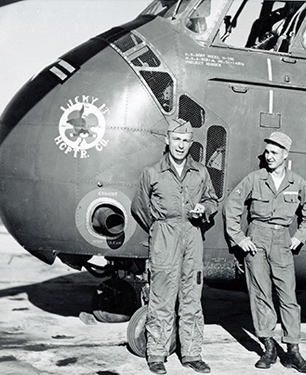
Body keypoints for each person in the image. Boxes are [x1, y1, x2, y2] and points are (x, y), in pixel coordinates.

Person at [223, 132, 306, 373]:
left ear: (285, 155)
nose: (269, 157)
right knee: (260, 295)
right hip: (257, 237)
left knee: (288, 297)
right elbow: (232, 206)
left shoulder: (296, 182)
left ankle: (294, 352)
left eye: (274, 153)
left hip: (283, 240)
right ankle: (268, 347)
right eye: (267, 152)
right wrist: (239, 237)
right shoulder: (255, 179)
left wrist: (299, 236)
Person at [131, 119, 218, 375]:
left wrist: (205, 210)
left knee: (192, 298)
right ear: (168, 140)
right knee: (161, 298)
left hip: (193, 236)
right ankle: (156, 354)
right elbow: (139, 207)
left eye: (186, 140)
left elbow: (212, 200)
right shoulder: (152, 172)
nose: (181, 145)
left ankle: (192, 354)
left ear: (191, 143)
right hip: (164, 237)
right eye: (176, 139)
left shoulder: (200, 172)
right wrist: (160, 228)